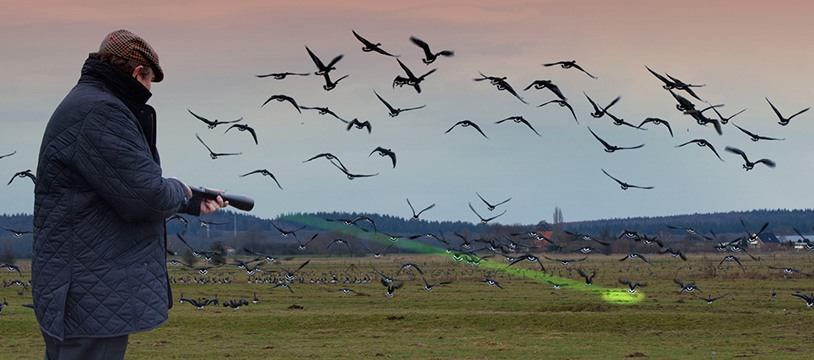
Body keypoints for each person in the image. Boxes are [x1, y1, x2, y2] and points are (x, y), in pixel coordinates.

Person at [32, 29, 227, 359]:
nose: (150, 91)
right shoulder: (101, 113)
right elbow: (146, 196)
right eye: (150, 81)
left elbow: (119, 185)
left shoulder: (88, 104)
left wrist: (191, 200)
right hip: (88, 294)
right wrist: (180, 190)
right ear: (138, 73)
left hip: (86, 289)